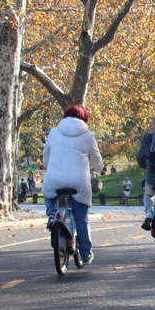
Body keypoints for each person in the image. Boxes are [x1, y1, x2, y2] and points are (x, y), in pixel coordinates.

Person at [41, 105, 104, 263]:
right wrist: (99, 168)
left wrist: (50, 167)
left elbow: (46, 157)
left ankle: (51, 215)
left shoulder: (53, 132)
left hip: (54, 178)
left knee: (49, 195)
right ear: (84, 118)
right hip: (78, 181)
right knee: (81, 219)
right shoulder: (88, 135)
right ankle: (85, 254)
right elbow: (96, 160)